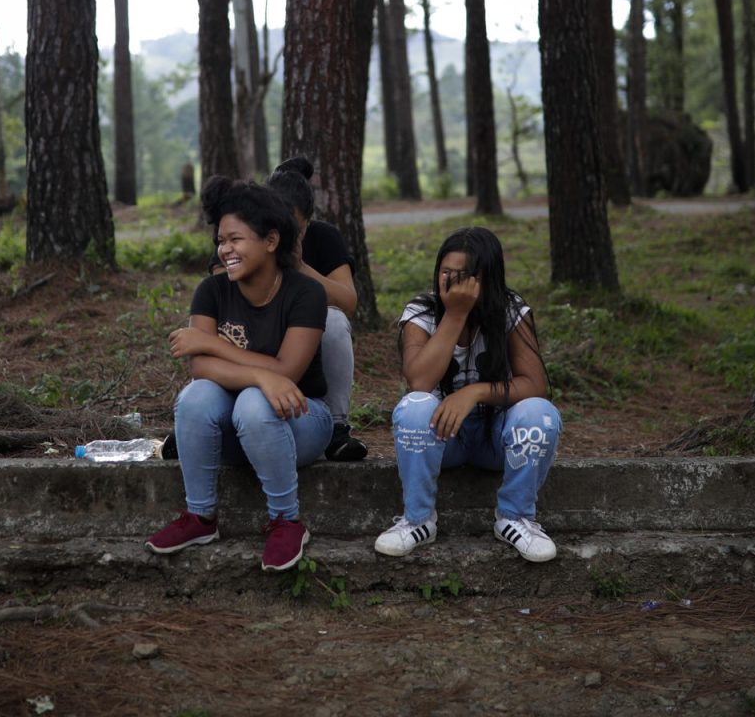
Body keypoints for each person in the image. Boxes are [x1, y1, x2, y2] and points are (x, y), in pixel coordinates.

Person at [146, 176, 334, 572]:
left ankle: (287, 521)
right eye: (221, 241)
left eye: (235, 239)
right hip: (236, 429)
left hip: (302, 422)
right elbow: (201, 369)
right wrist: (262, 374)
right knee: (196, 396)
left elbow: (288, 372)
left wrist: (213, 343)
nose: (225, 249)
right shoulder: (211, 292)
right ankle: (200, 518)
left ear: (270, 241)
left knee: (253, 401)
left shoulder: (306, 293)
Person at [373, 226, 562, 562]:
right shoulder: (421, 312)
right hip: (443, 439)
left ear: (487, 277)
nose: (452, 283)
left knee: (539, 412)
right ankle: (417, 521)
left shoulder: (510, 310)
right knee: (414, 405)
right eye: (446, 273)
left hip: (496, 435)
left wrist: (473, 392)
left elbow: (534, 384)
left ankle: (515, 518)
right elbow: (418, 381)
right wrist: (456, 314)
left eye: (463, 276)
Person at [266, 156, 368, 461]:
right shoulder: (246, 234)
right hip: (256, 337)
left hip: (306, 338)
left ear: (307, 222)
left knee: (335, 321)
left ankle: (337, 427)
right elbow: (221, 293)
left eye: (292, 227)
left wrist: (300, 266)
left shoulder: (323, 238)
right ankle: (200, 422)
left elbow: (348, 301)